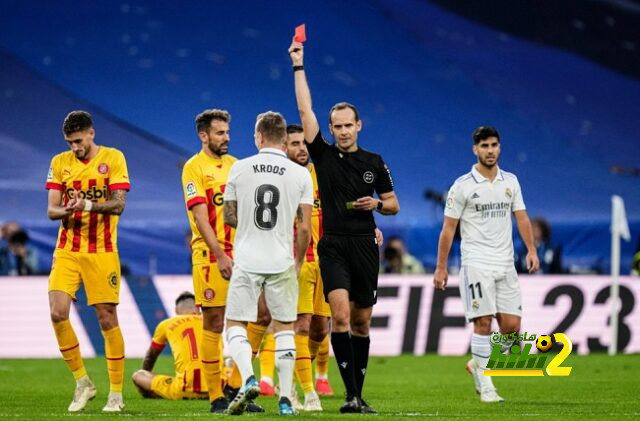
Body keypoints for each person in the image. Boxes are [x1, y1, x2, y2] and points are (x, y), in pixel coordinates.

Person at [288, 40, 400, 414]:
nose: (341, 131)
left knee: (362, 323)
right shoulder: (322, 154)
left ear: (359, 125)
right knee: (339, 316)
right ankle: (350, 395)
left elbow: (394, 204)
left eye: (347, 125)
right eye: (336, 126)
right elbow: (305, 109)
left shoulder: (375, 161)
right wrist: (298, 66)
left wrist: (377, 205)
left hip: (365, 244)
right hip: (333, 244)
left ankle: (358, 392)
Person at [433, 126, 539, 403]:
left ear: (499, 147)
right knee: (483, 323)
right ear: (475, 150)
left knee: (512, 329)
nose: (490, 151)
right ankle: (487, 385)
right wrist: (441, 267)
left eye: (494, 145)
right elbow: (448, 229)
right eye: (484, 146)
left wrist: (531, 250)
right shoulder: (463, 186)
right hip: (476, 263)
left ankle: (476, 364)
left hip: (506, 263)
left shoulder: (511, 181)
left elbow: (522, 218)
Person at [223, 111, 313, 415]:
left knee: (236, 322)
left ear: (259, 137)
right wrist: (298, 260)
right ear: (285, 140)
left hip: (247, 258)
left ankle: (249, 377)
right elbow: (304, 228)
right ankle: (286, 398)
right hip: (282, 259)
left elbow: (228, 216)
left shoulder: (239, 168)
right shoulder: (300, 174)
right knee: (285, 327)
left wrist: (248, 225)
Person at [181, 109, 267, 414]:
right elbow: (200, 217)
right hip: (210, 256)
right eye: (220, 133)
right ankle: (216, 396)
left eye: (228, 132)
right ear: (203, 136)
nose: (226, 137)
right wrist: (219, 255)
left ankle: (234, 386)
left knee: (261, 315)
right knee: (215, 322)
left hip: (243, 254)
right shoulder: (193, 168)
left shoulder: (237, 166)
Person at [46, 111, 130, 412]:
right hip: (67, 249)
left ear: (91, 134)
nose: (75, 148)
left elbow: (119, 205)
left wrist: (88, 204)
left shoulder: (114, 158)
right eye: (70, 143)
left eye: (79, 141)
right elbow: (51, 211)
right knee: (57, 313)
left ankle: (116, 394)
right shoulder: (59, 163)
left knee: (107, 318)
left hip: (102, 251)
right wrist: (69, 209)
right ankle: (83, 382)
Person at [131, 291, 215, 400]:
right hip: (217, 389)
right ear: (198, 309)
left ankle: (157, 395)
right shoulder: (211, 321)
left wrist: (147, 373)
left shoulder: (167, 324)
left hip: (182, 390)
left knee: (138, 375)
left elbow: (151, 356)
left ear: (176, 310)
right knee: (229, 363)